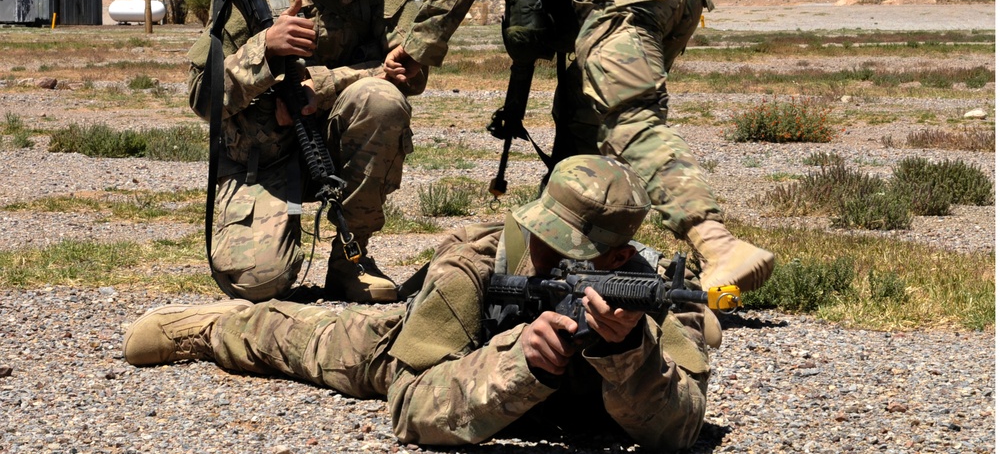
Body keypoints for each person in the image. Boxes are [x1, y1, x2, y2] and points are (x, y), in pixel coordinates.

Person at [384, 0, 774, 293]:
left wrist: (420, 45)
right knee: (584, 125)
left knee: (628, 119)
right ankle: (567, 256)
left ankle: (717, 244)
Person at [123, 154, 718, 450]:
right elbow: (410, 409)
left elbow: (683, 426)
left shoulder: (642, 296)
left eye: (569, 248)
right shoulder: (474, 262)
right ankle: (213, 327)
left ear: (616, 259)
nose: (544, 251)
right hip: (429, 349)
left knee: (699, 336)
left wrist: (628, 354)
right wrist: (522, 362)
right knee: (304, 339)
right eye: (544, 234)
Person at [187, 0, 426, 304]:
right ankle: (280, 234)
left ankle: (350, 262)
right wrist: (266, 48)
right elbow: (203, 98)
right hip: (266, 156)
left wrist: (329, 82)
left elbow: (410, 71)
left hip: (338, 144)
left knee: (381, 100)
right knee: (257, 283)